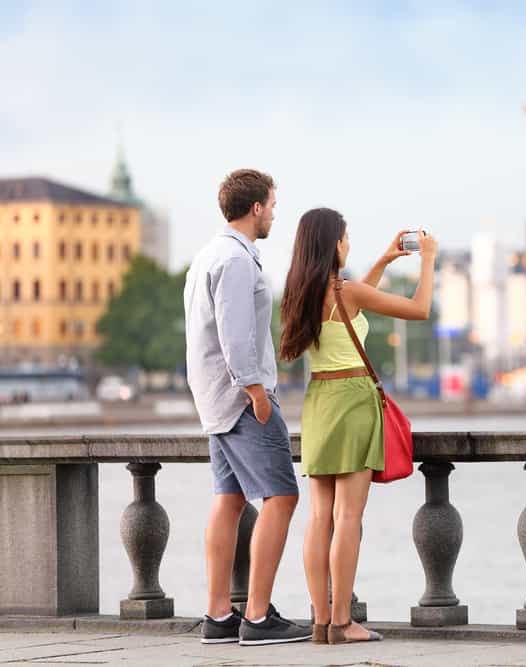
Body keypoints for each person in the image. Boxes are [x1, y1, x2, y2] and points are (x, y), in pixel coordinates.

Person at [278, 208, 436, 644]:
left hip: (319, 403)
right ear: (334, 245)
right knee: (348, 516)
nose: (348, 245)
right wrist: (427, 259)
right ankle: (344, 622)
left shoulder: (299, 293)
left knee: (320, 518)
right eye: (345, 239)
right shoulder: (345, 291)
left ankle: (321, 621)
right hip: (352, 400)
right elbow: (419, 309)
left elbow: (353, 305)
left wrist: (384, 261)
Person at [183, 169, 311, 646]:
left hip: (215, 401)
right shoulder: (237, 261)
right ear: (255, 207)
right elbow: (235, 334)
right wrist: (255, 391)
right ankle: (256, 616)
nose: (275, 213)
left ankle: (219, 615)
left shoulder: (205, 258)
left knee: (229, 500)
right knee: (282, 496)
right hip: (242, 400)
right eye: (273, 205)